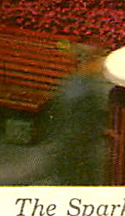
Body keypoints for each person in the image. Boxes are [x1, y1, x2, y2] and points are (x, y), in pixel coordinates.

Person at [47, 44, 114, 186]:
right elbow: (82, 120)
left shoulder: (76, 83)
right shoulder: (83, 90)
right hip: (78, 144)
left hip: (72, 142)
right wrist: (100, 130)